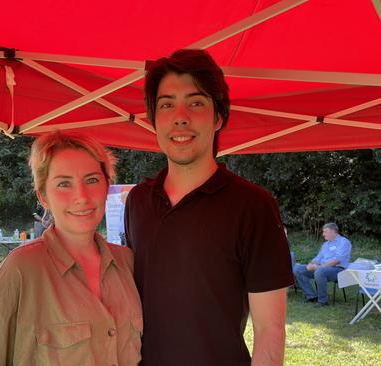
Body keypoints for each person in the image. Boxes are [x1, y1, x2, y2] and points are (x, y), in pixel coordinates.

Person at [124, 49, 293, 366]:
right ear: (154, 120)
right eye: (167, 104)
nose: (181, 116)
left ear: (218, 117)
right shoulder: (137, 201)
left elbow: (270, 333)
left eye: (196, 102)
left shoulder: (254, 206)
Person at [0, 131, 142, 365]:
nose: (81, 197)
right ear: (43, 196)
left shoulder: (127, 262)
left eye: (92, 180)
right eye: (64, 183)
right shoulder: (21, 268)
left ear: (107, 186)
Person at [293, 222, 351, 307]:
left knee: (320, 271)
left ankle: (322, 300)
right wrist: (311, 264)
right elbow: (318, 258)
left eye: (325, 232)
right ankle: (311, 296)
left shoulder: (344, 242)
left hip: (337, 270)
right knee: (297, 269)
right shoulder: (326, 244)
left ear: (333, 231)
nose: (323, 234)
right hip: (321, 268)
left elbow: (337, 260)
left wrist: (319, 267)